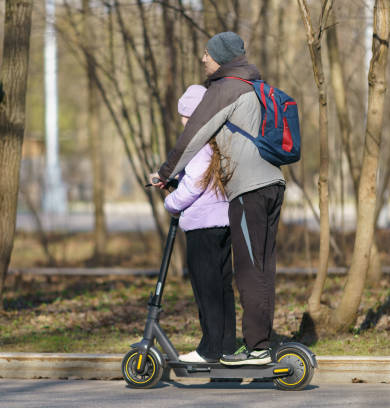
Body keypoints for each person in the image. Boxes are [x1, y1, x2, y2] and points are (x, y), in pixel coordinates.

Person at [153, 32, 285, 365]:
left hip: (238, 198)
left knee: (240, 275)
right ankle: (242, 345)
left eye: (208, 54)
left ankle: (250, 347)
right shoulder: (252, 85)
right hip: (269, 184)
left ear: (221, 58)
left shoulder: (224, 90)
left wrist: (166, 177)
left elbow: (194, 148)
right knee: (256, 270)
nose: (202, 58)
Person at [163, 84, 235, 364]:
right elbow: (202, 180)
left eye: (185, 116)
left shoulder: (197, 144)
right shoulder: (216, 140)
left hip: (202, 227)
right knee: (221, 287)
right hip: (221, 223)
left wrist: (171, 203)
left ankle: (210, 350)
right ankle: (226, 346)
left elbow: (193, 186)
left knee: (206, 290)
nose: (182, 121)